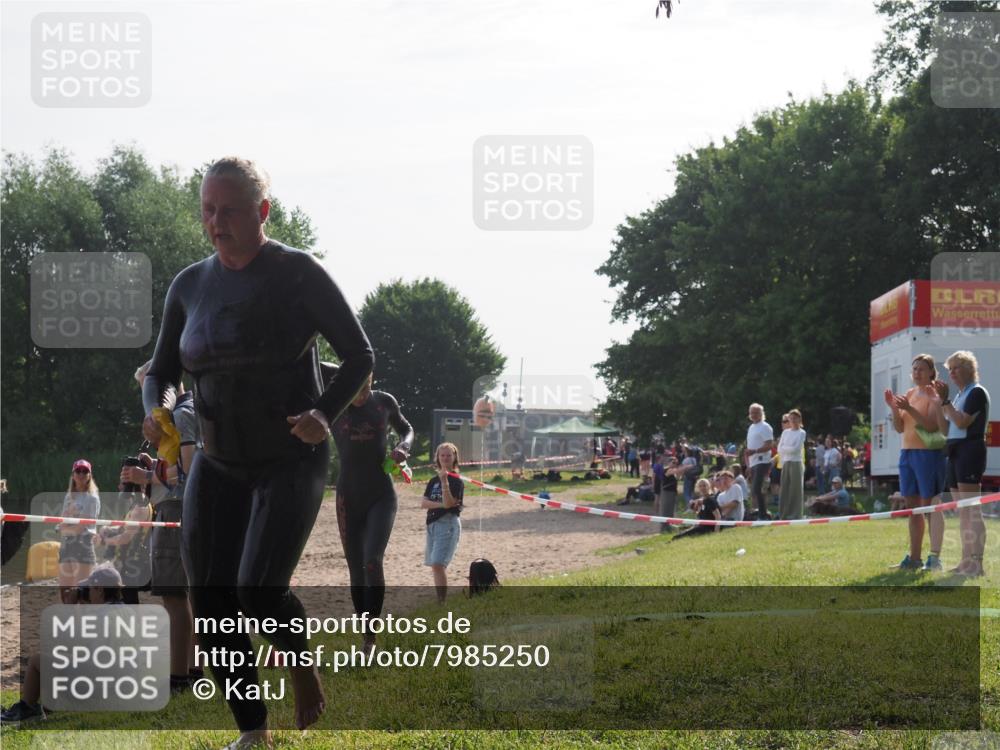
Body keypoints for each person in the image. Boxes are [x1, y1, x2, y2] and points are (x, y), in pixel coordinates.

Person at [142, 156, 374, 745]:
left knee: (257, 592)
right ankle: (254, 733)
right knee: (212, 604)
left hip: (289, 457)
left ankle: (300, 662)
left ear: (262, 211)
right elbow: (162, 370)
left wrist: (324, 414)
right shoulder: (190, 285)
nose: (216, 223)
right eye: (207, 211)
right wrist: (158, 407)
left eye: (229, 211)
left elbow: (359, 355)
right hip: (217, 464)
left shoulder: (297, 274)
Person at [126, 359, 201, 692]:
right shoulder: (186, 413)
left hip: (175, 511)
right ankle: (191, 670)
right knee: (186, 595)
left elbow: (189, 474)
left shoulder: (181, 416)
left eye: (147, 390)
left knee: (173, 595)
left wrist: (147, 476)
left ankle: (179, 678)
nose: (146, 400)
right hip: (177, 509)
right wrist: (154, 466)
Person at [332, 372, 413, 655]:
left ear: (372, 380)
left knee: (372, 562)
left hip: (381, 494)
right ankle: (364, 632)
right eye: (357, 388)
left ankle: (371, 639)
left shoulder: (384, 402)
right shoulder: (334, 405)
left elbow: (407, 429)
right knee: (355, 569)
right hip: (347, 498)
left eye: (366, 387)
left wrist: (404, 447)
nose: (362, 394)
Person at [0, 566, 125, 725]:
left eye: (89, 589)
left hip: (101, 687)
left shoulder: (101, 617)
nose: (87, 593)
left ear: (99, 589)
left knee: (37, 660)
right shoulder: (124, 611)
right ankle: (46, 707)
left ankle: (27, 707)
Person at [885, 354, 946, 570]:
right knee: (912, 508)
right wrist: (894, 407)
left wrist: (909, 409)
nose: (916, 372)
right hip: (907, 453)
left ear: (931, 371)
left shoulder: (934, 393)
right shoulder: (910, 393)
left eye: (921, 368)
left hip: (927, 454)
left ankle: (934, 558)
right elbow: (901, 428)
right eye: (914, 369)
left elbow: (931, 426)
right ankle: (914, 558)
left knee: (929, 507)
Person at [935, 350, 990, 577]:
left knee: (972, 510)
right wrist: (939, 403)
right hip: (955, 450)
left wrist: (946, 402)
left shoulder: (976, 392)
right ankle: (965, 561)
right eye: (950, 369)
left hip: (970, 450)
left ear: (969, 369)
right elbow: (947, 429)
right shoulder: (958, 396)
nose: (952, 373)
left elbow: (963, 421)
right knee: (962, 511)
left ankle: (977, 563)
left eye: (956, 368)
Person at [422, 443, 464, 603]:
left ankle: (442, 601)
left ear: (454, 458)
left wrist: (445, 482)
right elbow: (424, 503)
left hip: (447, 524)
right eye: (442, 455)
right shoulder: (433, 481)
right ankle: (440, 599)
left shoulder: (456, 481)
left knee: (438, 564)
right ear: (438, 458)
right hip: (432, 523)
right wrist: (441, 504)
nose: (445, 458)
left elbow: (449, 503)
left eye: (448, 455)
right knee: (434, 565)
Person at [57, 459, 101, 604]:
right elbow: (62, 524)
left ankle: (83, 625)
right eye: (78, 471)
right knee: (65, 593)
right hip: (67, 546)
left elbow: (80, 528)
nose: (81, 474)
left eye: (85, 471)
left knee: (81, 594)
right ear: (73, 474)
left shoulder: (92, 498)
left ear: (89, 475)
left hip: (83, 545)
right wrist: (68, 521)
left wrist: (67, 526)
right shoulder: (69, 496)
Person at [745, 403, 774, 520]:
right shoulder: (751, 427)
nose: (754, 415)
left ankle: (763, 515)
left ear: (762, 414)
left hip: (763, 461)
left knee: (757, 488)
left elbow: (769, 445)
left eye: (756, 412)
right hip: (753, 462)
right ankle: (763, 512)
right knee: (755, 489)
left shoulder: (765, 427)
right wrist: (748, 462)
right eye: (752, 412)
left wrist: (755, 451)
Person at [777, 409, 807, 520]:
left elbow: (796, 449)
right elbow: (779, 448)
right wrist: (786, 449)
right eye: (791, 418)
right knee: (785, 488)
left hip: (796, 462)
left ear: (799, 419)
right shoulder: (785, 432)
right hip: (786, 462)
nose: (793, 420)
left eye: (795, 418)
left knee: (796, 489)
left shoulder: (802, 433)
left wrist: (786, 448)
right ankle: (784, 513)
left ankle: (796, 514)